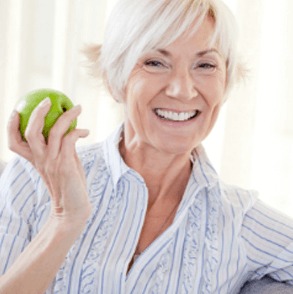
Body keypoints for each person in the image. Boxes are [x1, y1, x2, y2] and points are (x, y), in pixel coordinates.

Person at [0, 0, 293, 293]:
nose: (183, 89)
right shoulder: (29, 181)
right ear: (115, 79)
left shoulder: (241, 222)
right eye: (155, 62)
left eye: (205, 65)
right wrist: (65, 219)